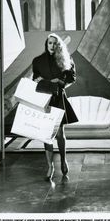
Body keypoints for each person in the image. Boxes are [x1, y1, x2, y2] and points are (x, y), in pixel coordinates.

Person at [32, 33, 78, 181]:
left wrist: (60, 81)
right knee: (46, 135)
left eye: (55, 43)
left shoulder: (65, 59)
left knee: (59, 134)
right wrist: (39, 80)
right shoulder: (38, 61)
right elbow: (35, 79)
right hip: (44, 99)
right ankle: (50, 166)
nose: (52, 45)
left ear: (59, 45)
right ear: (46, 44)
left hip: (58, 98)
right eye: (50, 43)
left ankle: (63, 160)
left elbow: (72, 78)